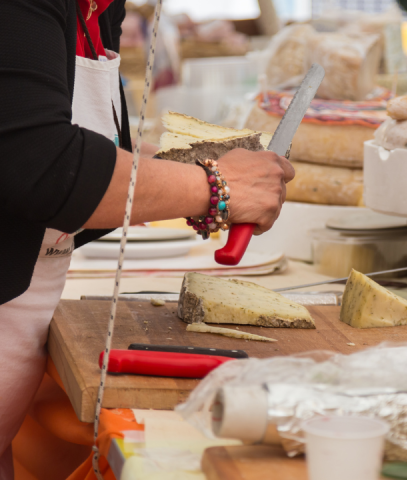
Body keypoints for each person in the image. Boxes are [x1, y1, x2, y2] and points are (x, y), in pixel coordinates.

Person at [0, 0, 294, 477]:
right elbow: (41, 164)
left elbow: (90, 158)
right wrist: (213, 186)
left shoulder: (100, 9)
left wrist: (193, 178)